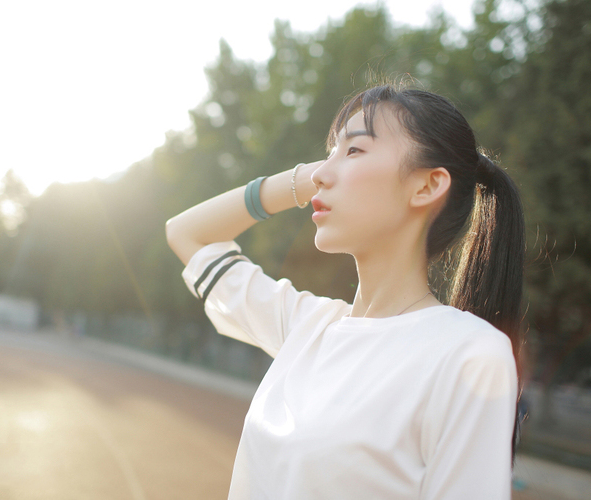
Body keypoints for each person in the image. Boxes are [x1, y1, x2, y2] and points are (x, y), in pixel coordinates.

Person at [166, 83, 525, 499]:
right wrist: (303, 181)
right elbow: (186, 233)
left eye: (354, 150)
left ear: (426, 187)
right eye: (329, 152)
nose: (321, 170)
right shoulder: (306, 326)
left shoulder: (469, 354)